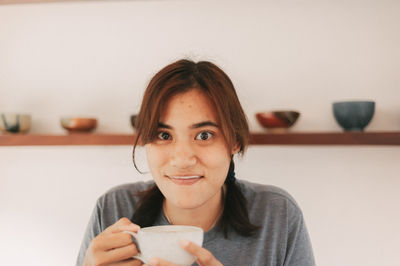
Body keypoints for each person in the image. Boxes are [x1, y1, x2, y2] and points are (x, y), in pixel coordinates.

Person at [77, 59, 315, 266]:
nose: (182, 159)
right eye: (164, 135)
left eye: (204, 135)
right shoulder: (112, 209)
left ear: (234, 141)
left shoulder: (277, 215)